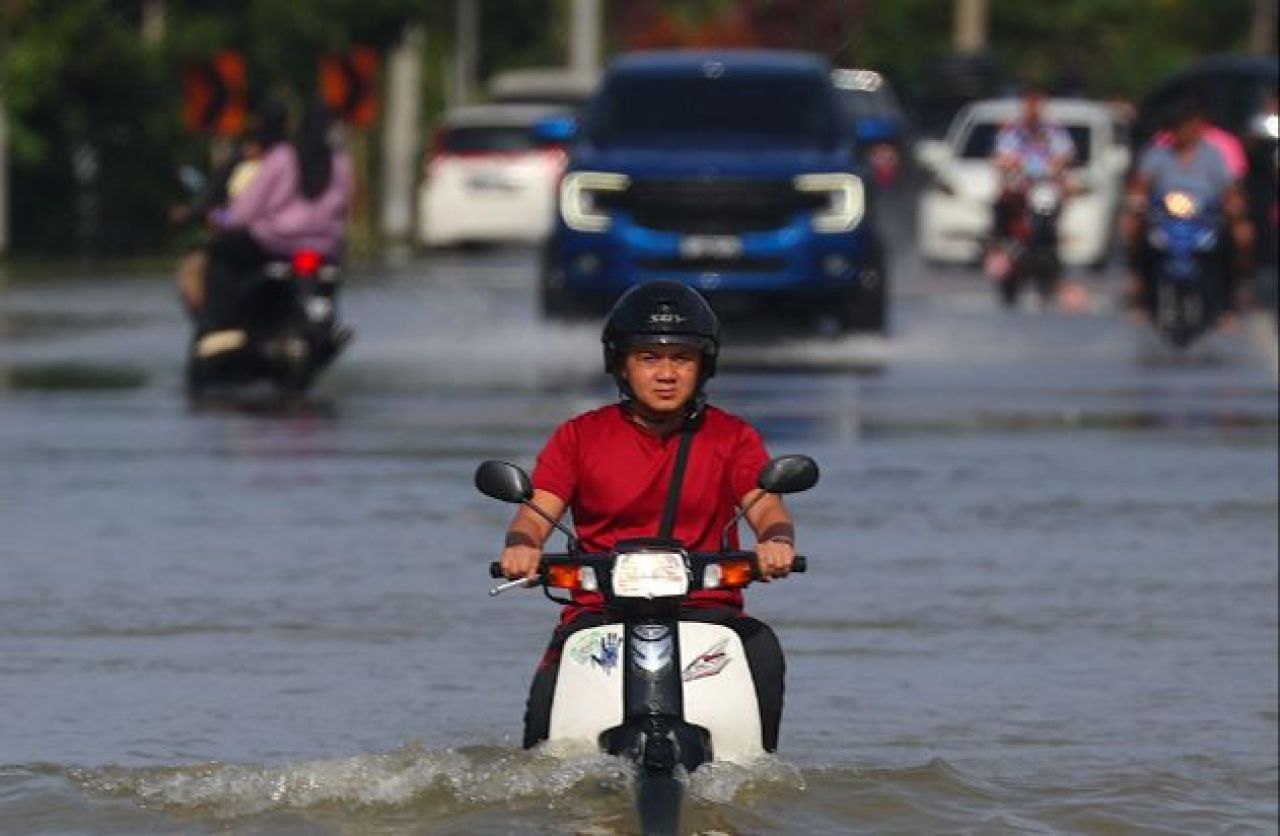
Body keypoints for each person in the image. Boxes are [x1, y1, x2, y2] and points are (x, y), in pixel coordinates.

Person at [498, 280, 799, 751]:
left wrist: (776, 542)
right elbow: (536, 512)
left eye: (681, 359)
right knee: (545, 717)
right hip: (600, 615)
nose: (666, 373)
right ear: (621, 364)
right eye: (649, 358)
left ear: (704, 367)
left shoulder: (731, 436)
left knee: (761, 649)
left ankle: (752, 781)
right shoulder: (579, 436)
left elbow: (767, 506)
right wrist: (522, 547)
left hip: (707, 612)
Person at [196, 96, 355, 357]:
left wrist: (223, 218)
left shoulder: (284, 158)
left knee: (221, 252)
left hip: (276, 244)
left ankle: (217, 327)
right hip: (326, 249)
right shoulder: (341, 162)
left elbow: (244, 211)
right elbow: (345, 206)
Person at [1121, 97, 1255, 326]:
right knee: (1133, 229)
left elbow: (1229, 188)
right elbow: (1141, 185)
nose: (1186, 131)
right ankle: (1141, 289)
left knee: (1240, 237)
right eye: (1180, 126)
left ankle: (1230, 298)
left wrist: (1234, 204)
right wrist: (1136, 202)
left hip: (1205, 216)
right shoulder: (1158, 154)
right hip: (1165, 216)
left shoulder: (1213, 155)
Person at [170, 101, 287, 319]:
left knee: (197, 267)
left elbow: (238, 213)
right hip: (285, 242)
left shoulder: (273, 164)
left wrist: (217, 217)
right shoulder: (295, 160)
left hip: (254, 240)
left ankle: (211, 323)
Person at [985, 89, 1076, 282]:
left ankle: (1051, 249)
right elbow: (1002, 155)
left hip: (1044, 184)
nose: (1033, 110)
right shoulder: (1012, 130)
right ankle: (1000, 247)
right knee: (1002, 200)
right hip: (1019, 184)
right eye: (1029, 105)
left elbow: (1065, 154)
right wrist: (1011, 164)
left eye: (1037, 105)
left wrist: (1058, 166)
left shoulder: (1054, 130)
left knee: (1059, 202)